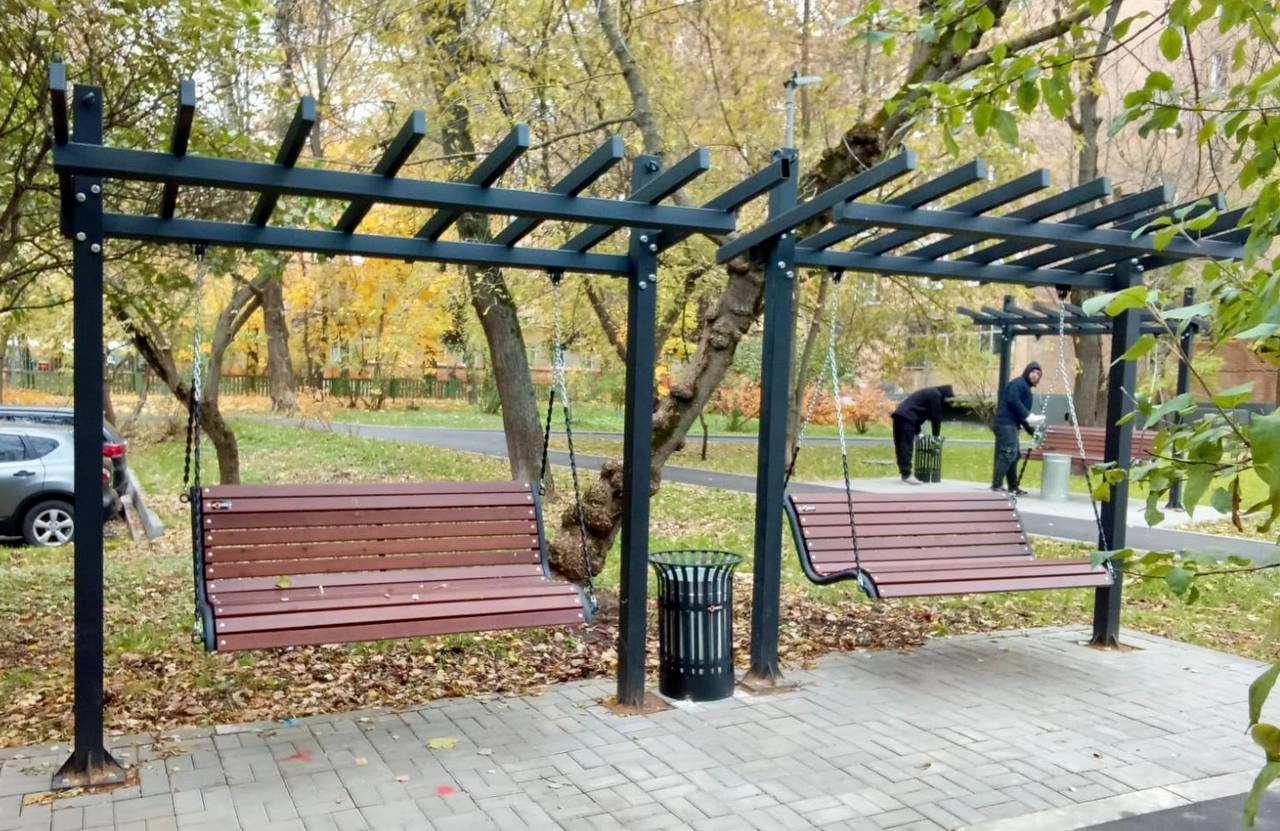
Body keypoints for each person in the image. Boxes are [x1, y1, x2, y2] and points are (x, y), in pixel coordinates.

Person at [992, 361, 1044, 495]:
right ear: (1027, 371)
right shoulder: (1018, 384)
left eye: (1038, 374)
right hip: (1005, 423)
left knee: (1014, 455)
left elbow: (1021, 416)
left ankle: (1013, 487)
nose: (1035, 375)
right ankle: (996, 486)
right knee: (1009, 453)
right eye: (1033, 371)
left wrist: (1032, 431)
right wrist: (1028, 415)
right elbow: (1012, 400)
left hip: (1011, 424)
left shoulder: (1026, 389)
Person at [890, 384, 954, 484]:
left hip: (899, 415)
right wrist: (936, 436)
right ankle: (907, 475)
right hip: (907, 417)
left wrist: (918, 432)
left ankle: (905, 474)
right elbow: (936, 417)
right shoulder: (936, 395)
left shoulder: (929, 393)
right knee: (906, 446)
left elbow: (917, 412)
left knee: (900, 445)